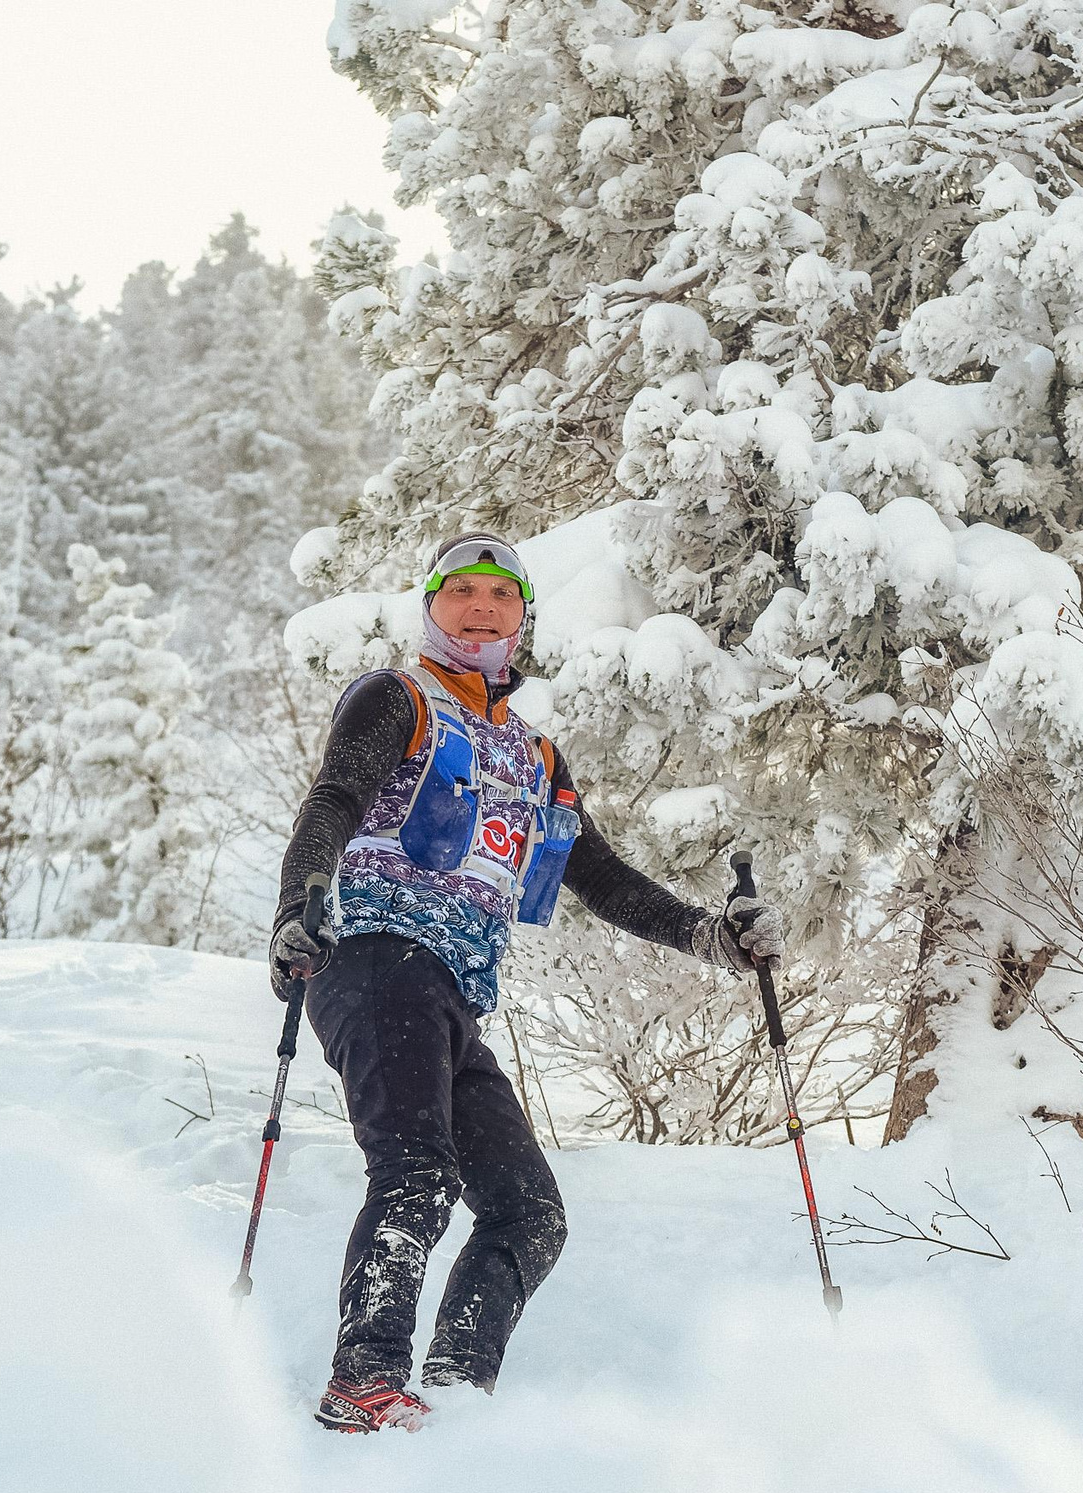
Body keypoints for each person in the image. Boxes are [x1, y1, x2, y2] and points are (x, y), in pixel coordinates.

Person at [272, 532, 785, 1433]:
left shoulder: (535, 757)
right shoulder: (398, 701)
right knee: (418, 1171)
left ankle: (458, 1399)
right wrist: (299, 903)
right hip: (371, 958)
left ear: (523, 617)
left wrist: (715, 939)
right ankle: (364, 1382)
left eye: (499, 595)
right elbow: (334, 802)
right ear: (429, 608)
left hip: (451, 996)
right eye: (459, 590)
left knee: (529, 1213)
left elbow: (604, 879)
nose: (479, 606)